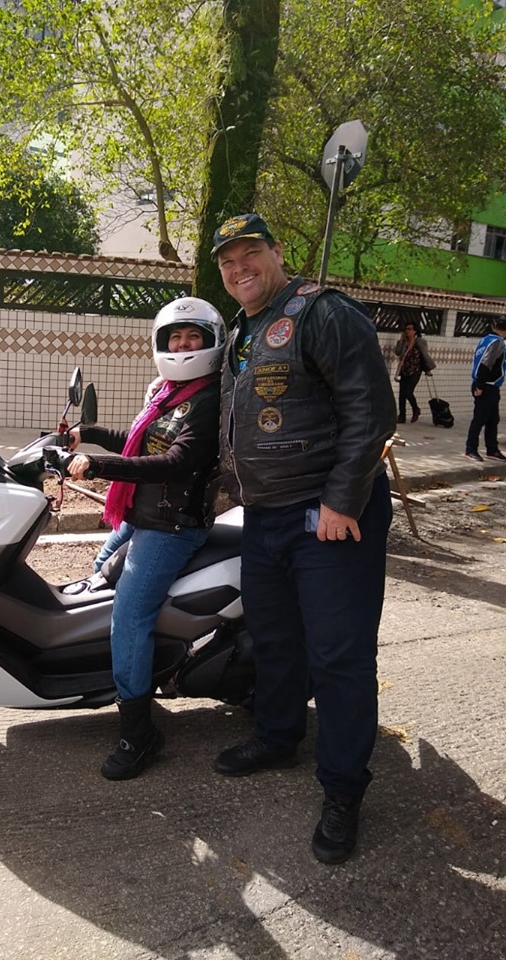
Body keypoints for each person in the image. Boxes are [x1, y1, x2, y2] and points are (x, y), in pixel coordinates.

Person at [210, 213, 396, 865]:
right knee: (275, 639)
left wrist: (342, 500)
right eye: (228, 261)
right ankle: (278, 736)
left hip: (330, 517)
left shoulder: (324, 313)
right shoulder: (241, 330)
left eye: (250, 254)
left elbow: (371, 412)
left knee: (339, 656)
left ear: (278, 253)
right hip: (267, 517)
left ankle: (343, 789)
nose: (239, 268)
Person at [67, 297, 226, 781]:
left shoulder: (209, 401)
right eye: (175, 337)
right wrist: (86, 434)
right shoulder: (171, 394)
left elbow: (175, 462)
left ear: (211, 343)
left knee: (129, 617)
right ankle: (115, 670)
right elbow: (141, 442)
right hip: (142, 513)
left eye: (193, 337)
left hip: (172, 526)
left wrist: (98, 466)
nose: (183, 345)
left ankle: (138, 733)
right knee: (97, 574)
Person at [464, 315, 506, 462]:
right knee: (479, 419)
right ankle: (471, 449)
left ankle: (492, 449)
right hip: (486, 386)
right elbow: (485, 365)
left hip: (488, 385)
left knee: (493, 419)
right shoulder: (497, 342)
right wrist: (480, 385)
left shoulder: (486, 339)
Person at [394, 321, 436, 423]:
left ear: (415, 331)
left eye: (409, 329)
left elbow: (425, 356)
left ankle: (415, 409)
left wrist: (428, 369)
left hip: (415, 371)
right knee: (402, 395)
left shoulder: (420, 342)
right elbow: (397, 352)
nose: (407, 331)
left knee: (408, 392)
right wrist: (401, 341)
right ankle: (402, 416)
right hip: (404, 370)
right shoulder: (404, 342)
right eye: (406, 329)